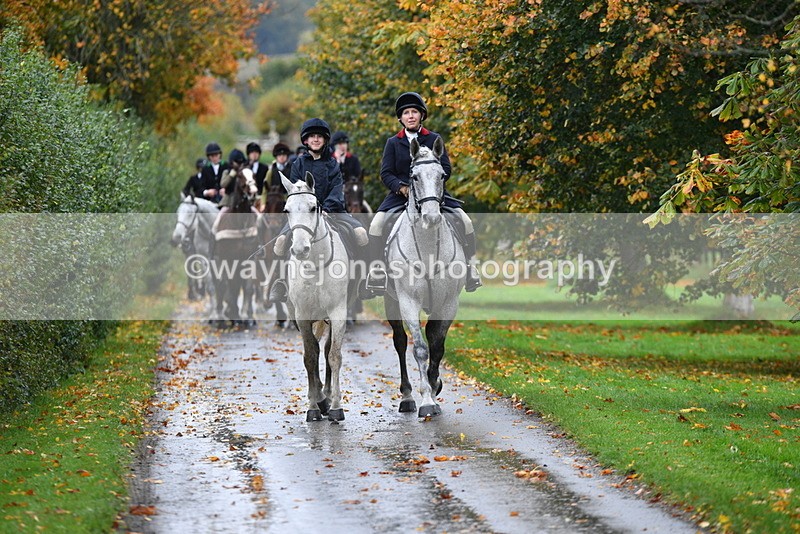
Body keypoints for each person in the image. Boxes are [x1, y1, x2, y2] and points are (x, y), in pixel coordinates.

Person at [364, 91, 482, 295]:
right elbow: (386, 173)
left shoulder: (434, 139)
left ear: (421, 115)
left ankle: (470, 268)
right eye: (406, 113)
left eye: (414, 112)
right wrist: (401, 188)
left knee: (466, 221)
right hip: (400, 196)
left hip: (432, 195)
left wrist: (431, 187)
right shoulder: (393, 142)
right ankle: (377, 271)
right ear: (400, 118)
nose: (410, 116)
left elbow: (446, 168)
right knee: (376, 224)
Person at [268, 118, 369, 304]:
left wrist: (325, 208)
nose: (315, 139)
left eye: (319, 137)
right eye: (312, 136)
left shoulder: (333, 164)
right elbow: (294, 192)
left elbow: (337, 189)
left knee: (361, 234)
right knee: (281, 242)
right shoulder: (297, 164)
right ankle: (280, 282)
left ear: (325, 140)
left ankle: (362, 280)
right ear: (306, 140)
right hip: (303, 215)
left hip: (333, 211)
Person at [259, 142, 293, 213]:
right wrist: (263, 204)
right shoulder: (271, 171)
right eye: (279, 155)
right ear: (276, 157)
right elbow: (265, 190)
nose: (281, 157)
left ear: (287, 156)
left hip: (290, 200)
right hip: (273, 201)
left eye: (284, 155)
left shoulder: (292, 170)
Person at [246, 142, 269, 209]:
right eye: (252, 153)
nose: (254, 155)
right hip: (247, 196)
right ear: (248, 154)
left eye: (256, 152)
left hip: (260, 196)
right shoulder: (245, 167)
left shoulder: (264, 167)